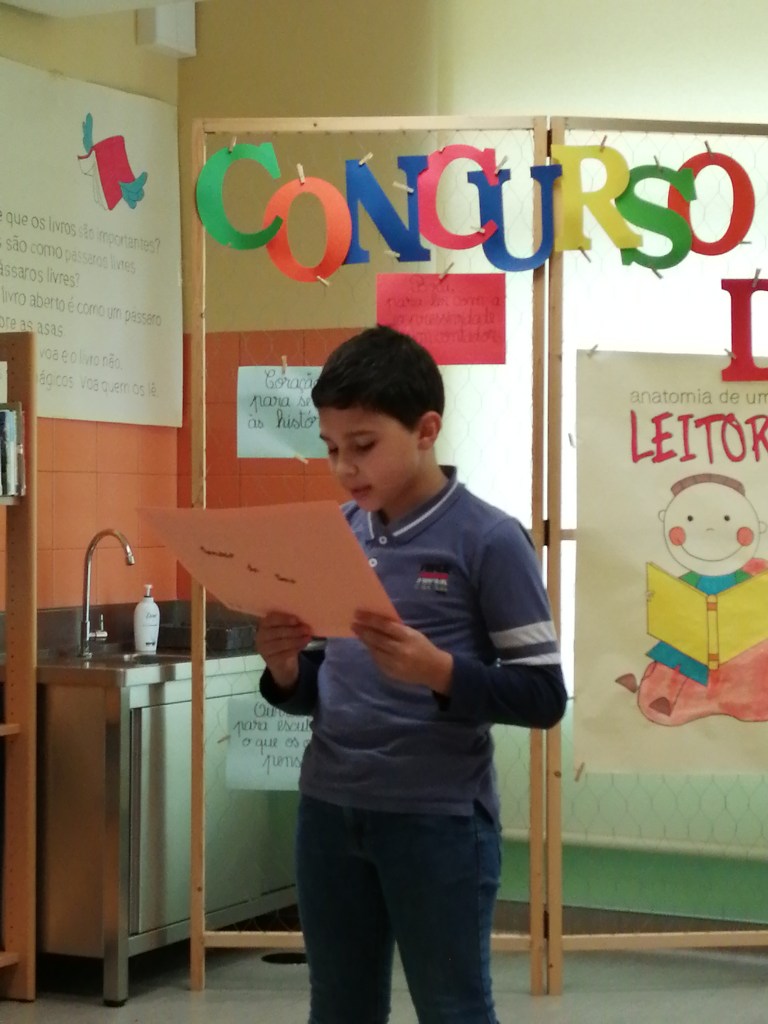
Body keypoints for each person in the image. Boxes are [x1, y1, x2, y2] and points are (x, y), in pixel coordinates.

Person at [257, 325, 567, 1024]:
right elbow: (329, 680)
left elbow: (544, 695)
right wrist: (285, 669)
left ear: (427, 430)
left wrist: (440, 670)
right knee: (339, 1009)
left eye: (363, 445)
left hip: (437, 820)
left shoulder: (490, 539)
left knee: (454, 1010)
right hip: (329, 809)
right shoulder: (337, 531)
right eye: (331, 448)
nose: (344, 468)